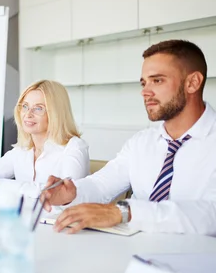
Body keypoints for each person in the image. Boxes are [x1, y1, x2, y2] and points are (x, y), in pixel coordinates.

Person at [43, 39, 216, 236]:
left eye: (157, 80)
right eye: (144, 83)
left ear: (192, 83)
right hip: (138, 254)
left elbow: (211, 214)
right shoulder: (141, 143)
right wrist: (71, 193)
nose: (145, 92)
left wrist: (126, 212)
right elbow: (101, 185)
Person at [0, 80, 89, 196]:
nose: (28, 114)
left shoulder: (75, 147)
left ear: (55, 113)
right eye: (25, 106)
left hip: (58, 221)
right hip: (23, 219)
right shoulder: (22, 150)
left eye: (38, 108)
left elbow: (65, 194)